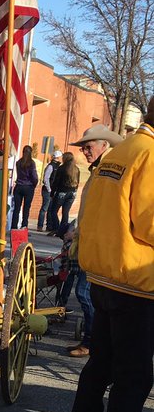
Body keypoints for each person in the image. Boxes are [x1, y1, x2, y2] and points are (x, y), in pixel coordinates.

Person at [66, 99, 154, 412]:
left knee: (98, 370)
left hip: (104, 278)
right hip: (135, 282)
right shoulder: (149, 154)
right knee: (132, 381)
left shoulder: (120, 152)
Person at [60, 125, 124, 357]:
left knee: (86, 293)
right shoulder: (100, 169)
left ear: (104, 145)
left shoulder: (109, 169)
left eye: (88, 147)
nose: (85, 152)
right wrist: (75, 229)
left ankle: (93, 342)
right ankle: (94, 341)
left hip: (100, 244)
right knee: (88, 294)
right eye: (84, 148)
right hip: (91, 240)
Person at [49, 151, 79, 236]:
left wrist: (52, 193)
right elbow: (78, 182)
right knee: (65, 212)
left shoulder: (62, 168)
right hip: (72, 193)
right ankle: (62, 230)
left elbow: (56, 182)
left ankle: (56, 228)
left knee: (53, 211)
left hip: (62, 192)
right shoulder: (76, 169)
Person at [11, 144, 38, 229]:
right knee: (26, 209)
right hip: (28, 187)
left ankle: (14, 227)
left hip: (19, 186)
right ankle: (24, 226)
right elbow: (34, 176)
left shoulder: (19, 162)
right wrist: (34, 184)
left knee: (16, 209)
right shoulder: (31, 163)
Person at [39, 148, 62, 231]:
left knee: (50, 209)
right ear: (58, 157)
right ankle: (40, 226)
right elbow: (46, 178)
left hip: (52, 190)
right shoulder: (51, 166)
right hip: (47, 190)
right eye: (61, 157)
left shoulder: (58, 166)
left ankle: (49, 226)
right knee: (45, 208)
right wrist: (49, 189)